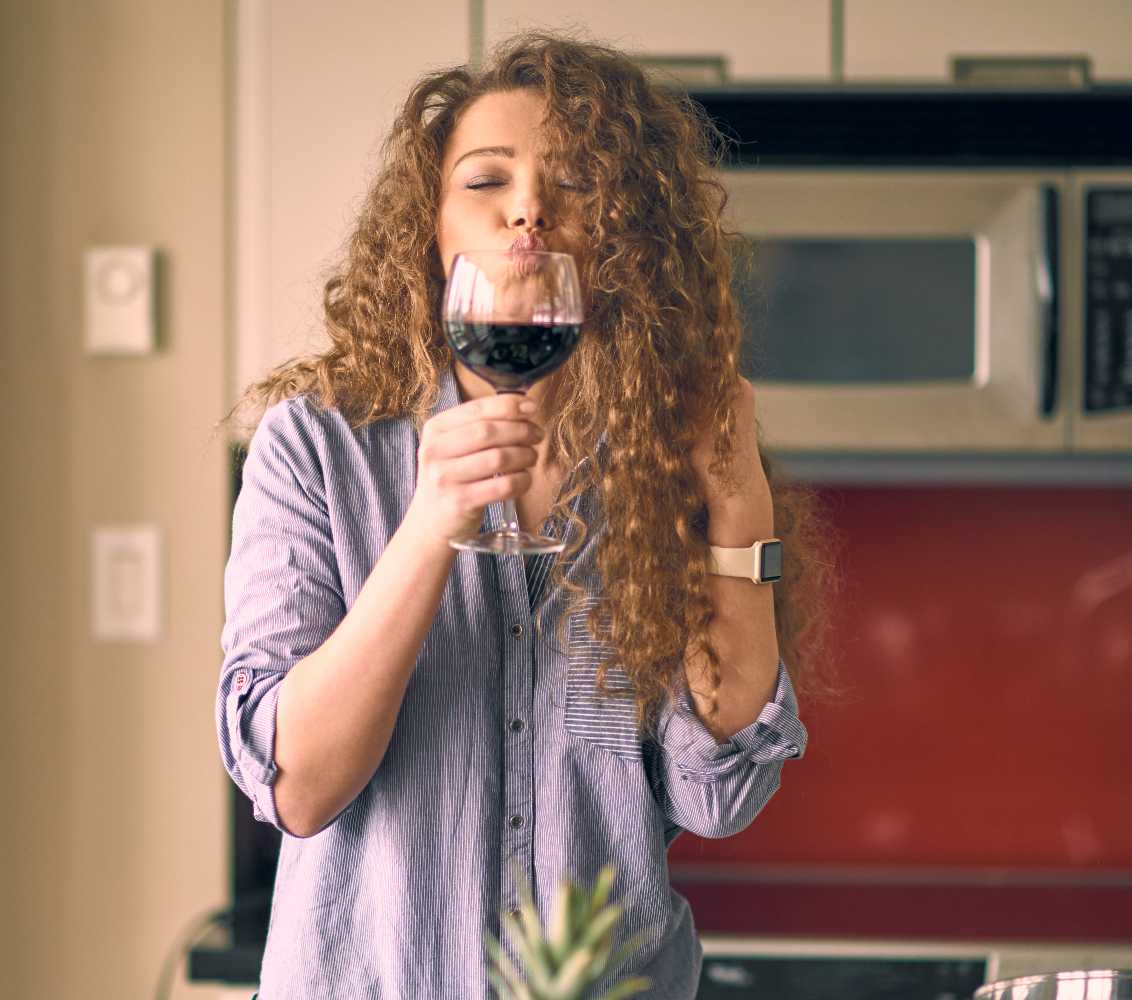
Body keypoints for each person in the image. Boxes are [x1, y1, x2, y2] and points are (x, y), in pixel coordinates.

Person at [218, 31, 830, 999]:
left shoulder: (664, 447)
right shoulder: (318, 448)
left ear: (622, 234)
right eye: (486, 180)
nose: (530, 209)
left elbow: (719, 794)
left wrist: (737, 510)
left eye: (574, 181)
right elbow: (298, 785)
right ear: (430, 226)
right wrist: (429, 526)